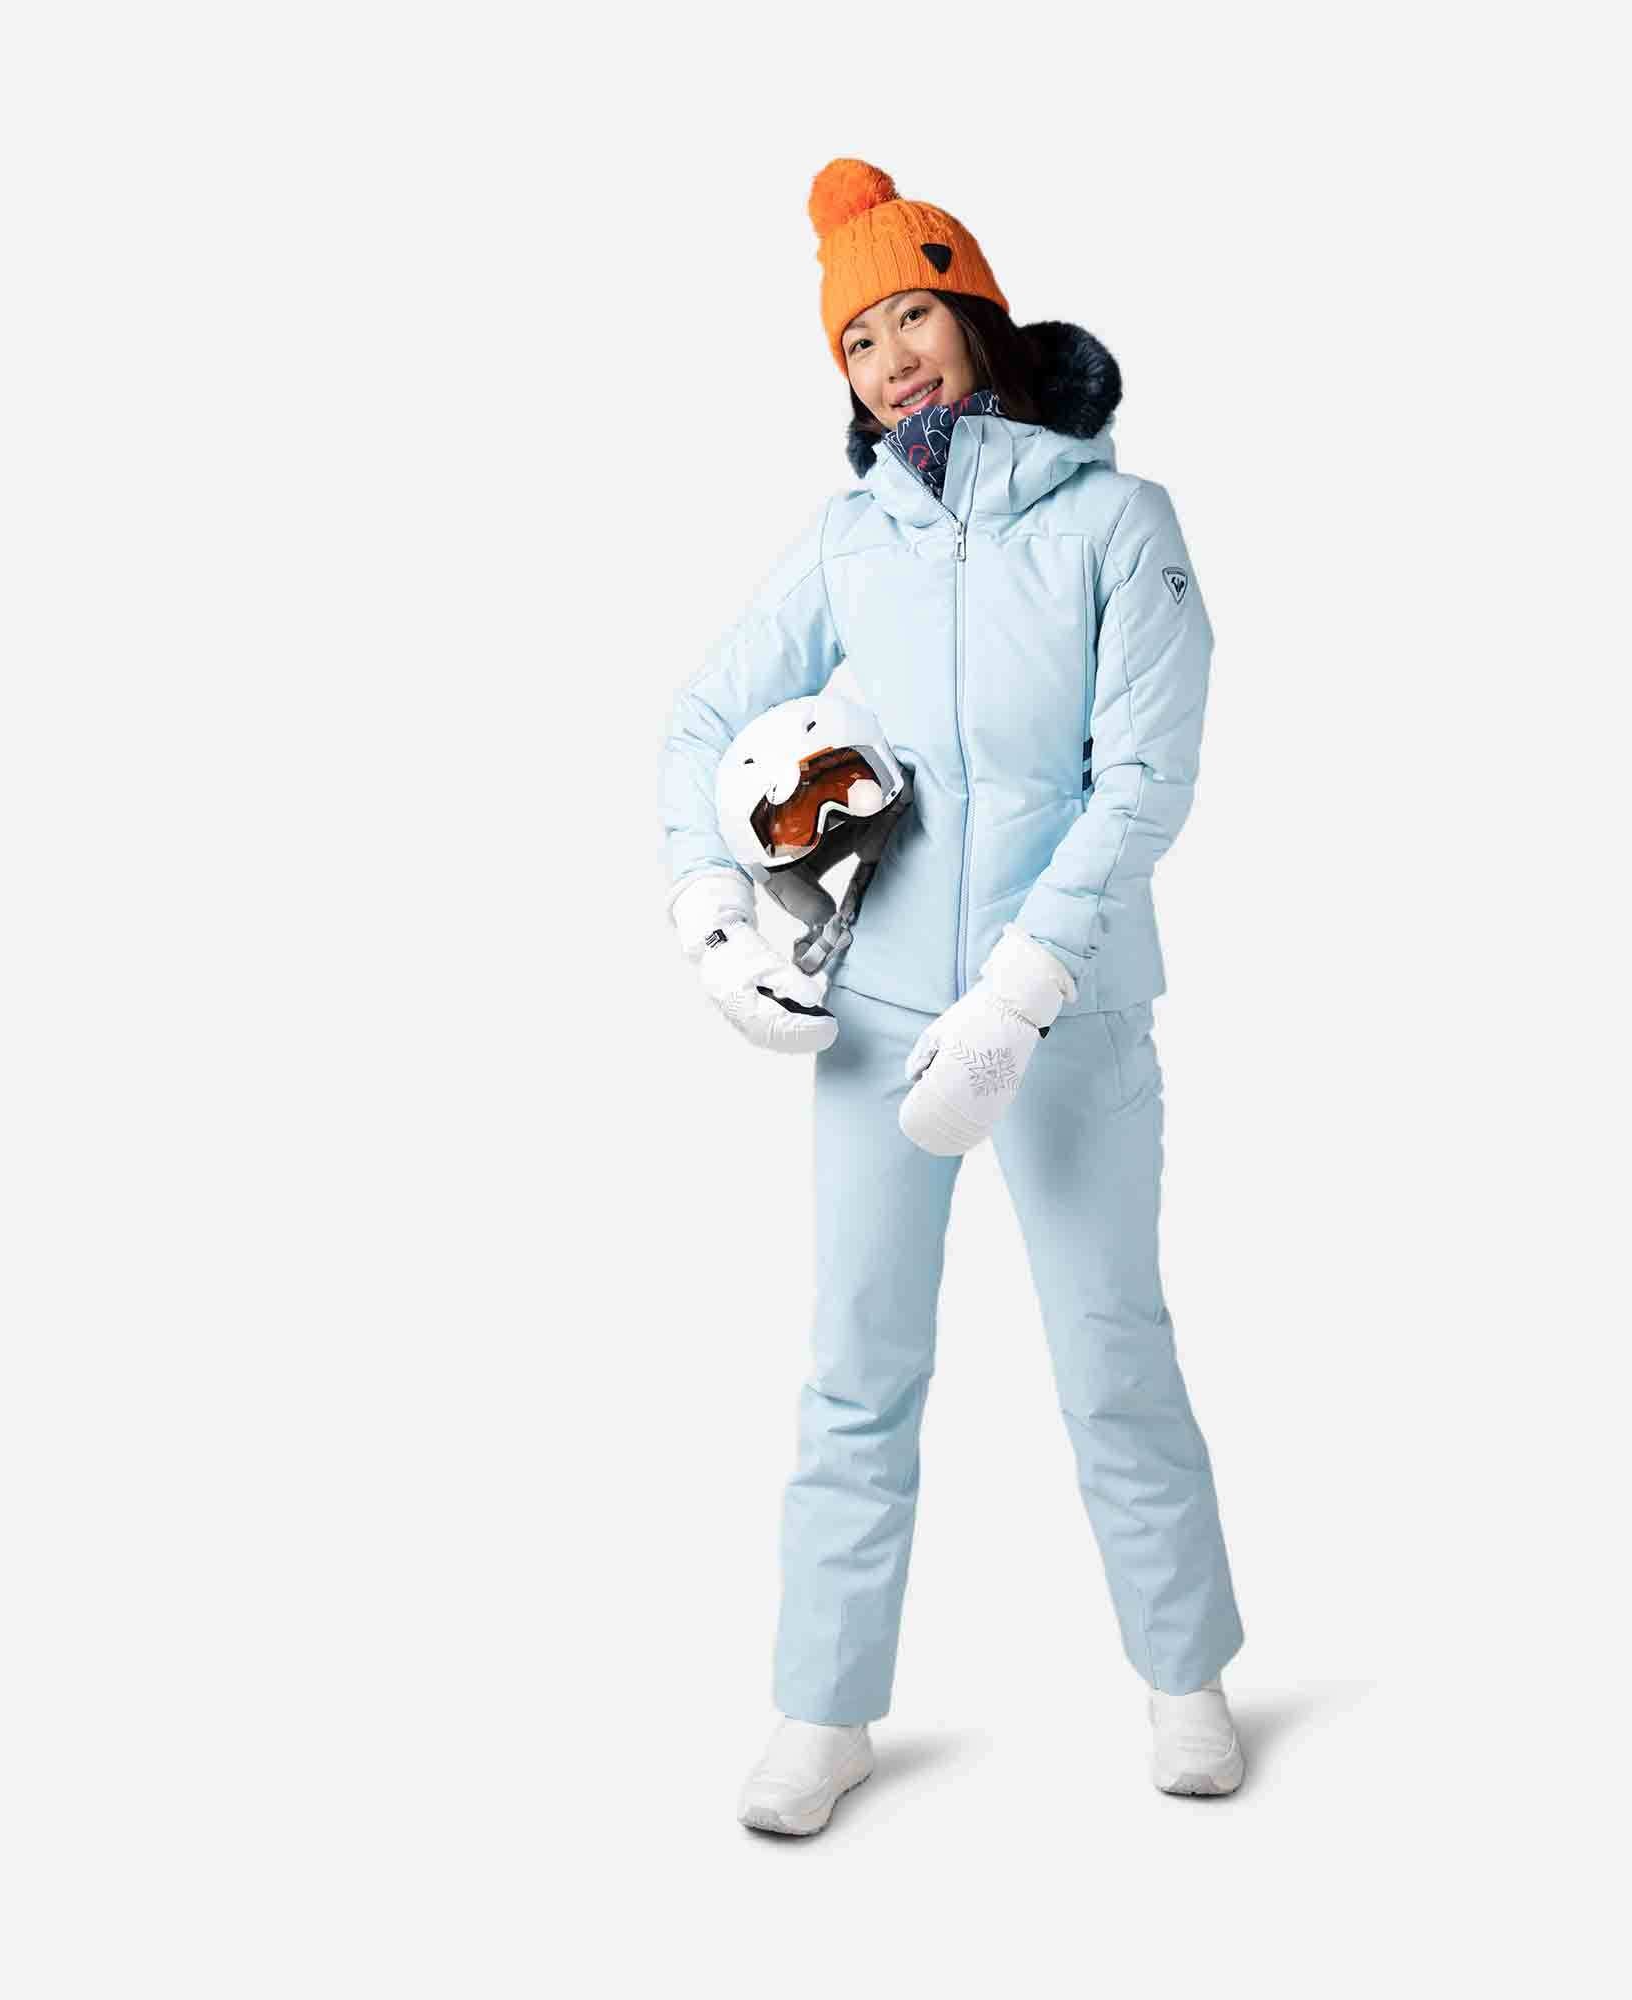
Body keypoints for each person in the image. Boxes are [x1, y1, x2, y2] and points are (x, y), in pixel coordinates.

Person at [656, 158, 1247, 1835]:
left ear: (976, 314)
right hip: (881, 1017)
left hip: (1070, 1015)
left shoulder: (1121, 526)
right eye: (856, 340)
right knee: (857, 1362)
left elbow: (1144, 777)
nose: (889, 359)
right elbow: (702, 716)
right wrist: (712, 911)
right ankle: (825, 1709)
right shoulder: (853, 539)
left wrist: (1028, 985)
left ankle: (1185, 1675)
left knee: (1111, 1349)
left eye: (909, 314)